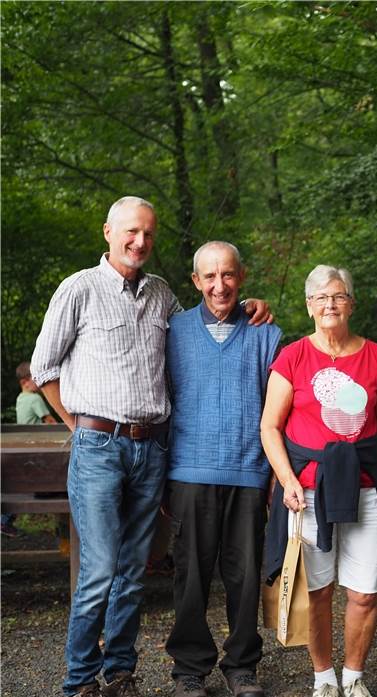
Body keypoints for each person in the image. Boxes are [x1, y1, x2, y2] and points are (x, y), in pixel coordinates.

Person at [30, 196, 269, 697]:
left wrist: (250, 308)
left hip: (151, 450)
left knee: (135, 571)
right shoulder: (80, 289)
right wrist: (79, 426)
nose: (140, 241)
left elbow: (205, 328)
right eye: (131, 232)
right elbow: (44, 369)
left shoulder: (162, 295)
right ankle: (79, 681)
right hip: (99, 444)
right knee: (99, 569)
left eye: (149, 234)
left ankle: (119, 672)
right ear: (109, 232)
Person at [260, 264, 377, 697]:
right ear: (309, 306)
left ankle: (354, 675)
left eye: (338, 296)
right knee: (318, 590)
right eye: (321, 297)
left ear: (351, 304)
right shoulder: (292, 357)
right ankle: (324, 678)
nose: (330, 304)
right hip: (306, 492)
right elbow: (270, 427)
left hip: (364, 486)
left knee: (364, 593)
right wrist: (285, 480)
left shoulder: (376, 355)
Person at [164, 242, 282, 697]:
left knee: (245, 574)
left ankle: (241, 666)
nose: (219, 285)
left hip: (249, 471)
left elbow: (281, 413)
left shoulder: (267, 335)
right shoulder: (172, 331)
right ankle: (189, 669)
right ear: (195, 282)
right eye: (209, 277)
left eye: (228, 275)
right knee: (190, 576)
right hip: (189, 470)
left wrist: (276, 473)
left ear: (242, 276)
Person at [1, 362, 58, 537]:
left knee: (20, 486)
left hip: (24, 446)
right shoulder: (35, 399)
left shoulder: (21, 398)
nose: (39, 382)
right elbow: (50, 422)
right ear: (25, 382)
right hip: (38, 447)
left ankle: (5, 519)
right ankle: (4, 519)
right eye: (36, 379)